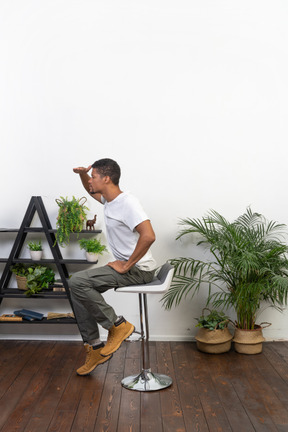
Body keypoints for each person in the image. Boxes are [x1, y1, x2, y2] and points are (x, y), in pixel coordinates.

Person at [70, 158, 157, 376]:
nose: (90, 181)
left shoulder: (128, 203)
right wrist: (83, 174)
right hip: (130, 268)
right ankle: (95, 347)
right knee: (77, 290)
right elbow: (91, 192)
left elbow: (149, 236)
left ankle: (117, 325)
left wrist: (127, 264)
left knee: (77, 282)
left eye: (94, 177)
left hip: (140, 270)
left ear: (106, 178)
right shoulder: (110, 202)